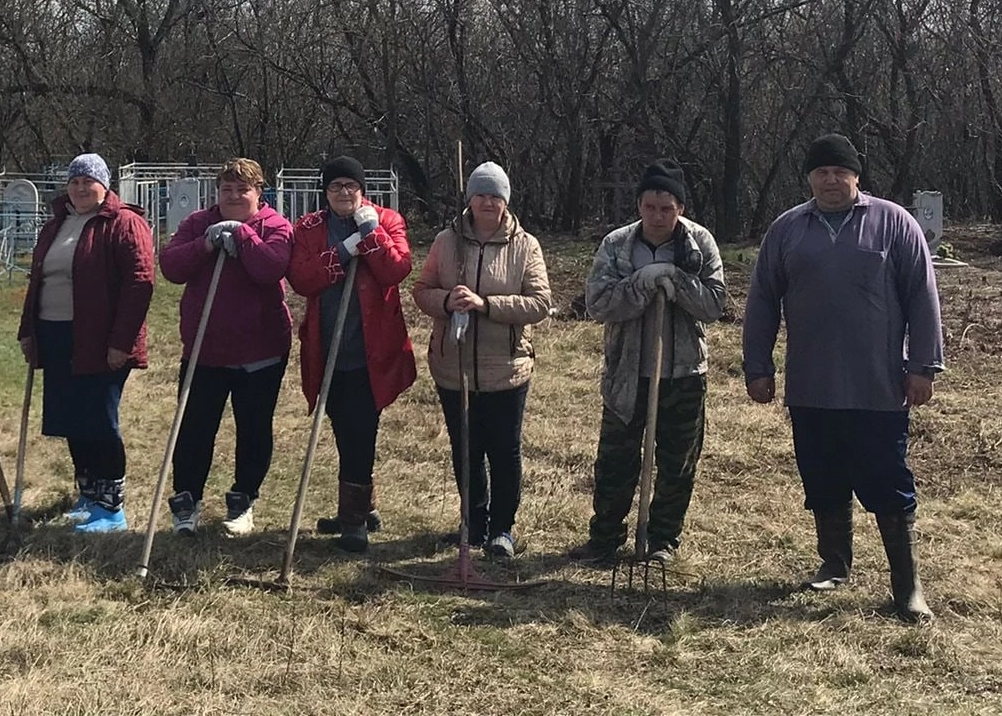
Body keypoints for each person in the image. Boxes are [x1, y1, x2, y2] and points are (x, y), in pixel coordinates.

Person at [743, 134, 943, 623]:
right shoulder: (789, 229)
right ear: (809, 177)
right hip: (811, 384)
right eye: (821, 172)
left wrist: (922, 366)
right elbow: (764, 299)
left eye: (840, 172)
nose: (831, 180)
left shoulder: (894, 223)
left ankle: (906, 584)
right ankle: (834, 563)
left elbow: (922, 295)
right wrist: (758, 365)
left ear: (856, 176)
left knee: (887, 479)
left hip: (877, 385)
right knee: (822, 475)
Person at [568, 159, 726, 567]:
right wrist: (640, 284)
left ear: (681, 209)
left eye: (667, 208)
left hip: (684, 372)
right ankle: (604, 539)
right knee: (616, 460)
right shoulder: (617, 245)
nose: (658, 216)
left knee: (677, 462)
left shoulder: (699, 244)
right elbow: (599, 304)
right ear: (639, 205)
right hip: (627, 371)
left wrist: (674, 279)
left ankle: (662, 541)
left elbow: (713, 304)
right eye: (650, 207)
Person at [411, 162, 551, 559]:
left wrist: (485, 305)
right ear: (469, 198)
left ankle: (502, 530)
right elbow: (421, 291)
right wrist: (445, 300)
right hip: (453, 366)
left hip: (506, 367)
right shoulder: (446, 241)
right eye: (481, 194)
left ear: (505, 202)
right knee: (465, 447)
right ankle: (472, 522)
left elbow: (539, 303)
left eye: (495, 195)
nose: (488, 202)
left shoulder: (526, 246)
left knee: (504, 450)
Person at [17, 154, 154, 533]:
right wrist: (28, 330)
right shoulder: (57, 223)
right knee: (72, 419)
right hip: (57, 334)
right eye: (74, 181)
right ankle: (88, 495)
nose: (80, 187)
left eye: (88, 181)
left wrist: (121, 342)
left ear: (105, 185)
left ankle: (112, 508)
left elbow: (140, 283)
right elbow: (38, 280)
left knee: (98, 419)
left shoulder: (124, 222)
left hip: (101, 338)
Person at [158, 158, 294, 536]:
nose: (233, 196)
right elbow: (170, 267)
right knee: (195, 428)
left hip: (260, 351)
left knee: (253, 428)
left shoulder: (276, 226)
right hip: (205, 349)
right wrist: (206, 243)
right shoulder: (198, 223)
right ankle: (187, 501)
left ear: (258, 193)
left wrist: (244, 237)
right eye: (227, 190)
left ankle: (243, 500)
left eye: (242, 190)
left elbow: (270, 268)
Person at [287, 156, 415, 552]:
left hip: (370, 346)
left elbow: (397, 270)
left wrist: (371, 236)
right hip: (328, 348)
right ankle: (363, 504)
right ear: (325, 193)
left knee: (361, 428)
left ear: (363, 190)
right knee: (345, 427)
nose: (344, 193)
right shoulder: (309, 228)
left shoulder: (387, 220)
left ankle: (354, 520)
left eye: (350, 186)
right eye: (336, 187)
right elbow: (302, 278)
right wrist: (343, 250)